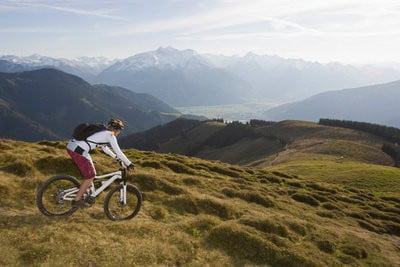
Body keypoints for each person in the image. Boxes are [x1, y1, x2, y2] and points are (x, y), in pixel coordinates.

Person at [66, 118, 134, 208]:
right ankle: (77, 200)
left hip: (73, 146)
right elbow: (118, 151)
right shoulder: (110, 135)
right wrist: (129, 163)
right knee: (90, 176)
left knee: (91, 172)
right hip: (78, 150)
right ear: (118, 130)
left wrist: (116, 158)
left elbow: (104, 148)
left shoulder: (103, 131)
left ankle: (87, 191)